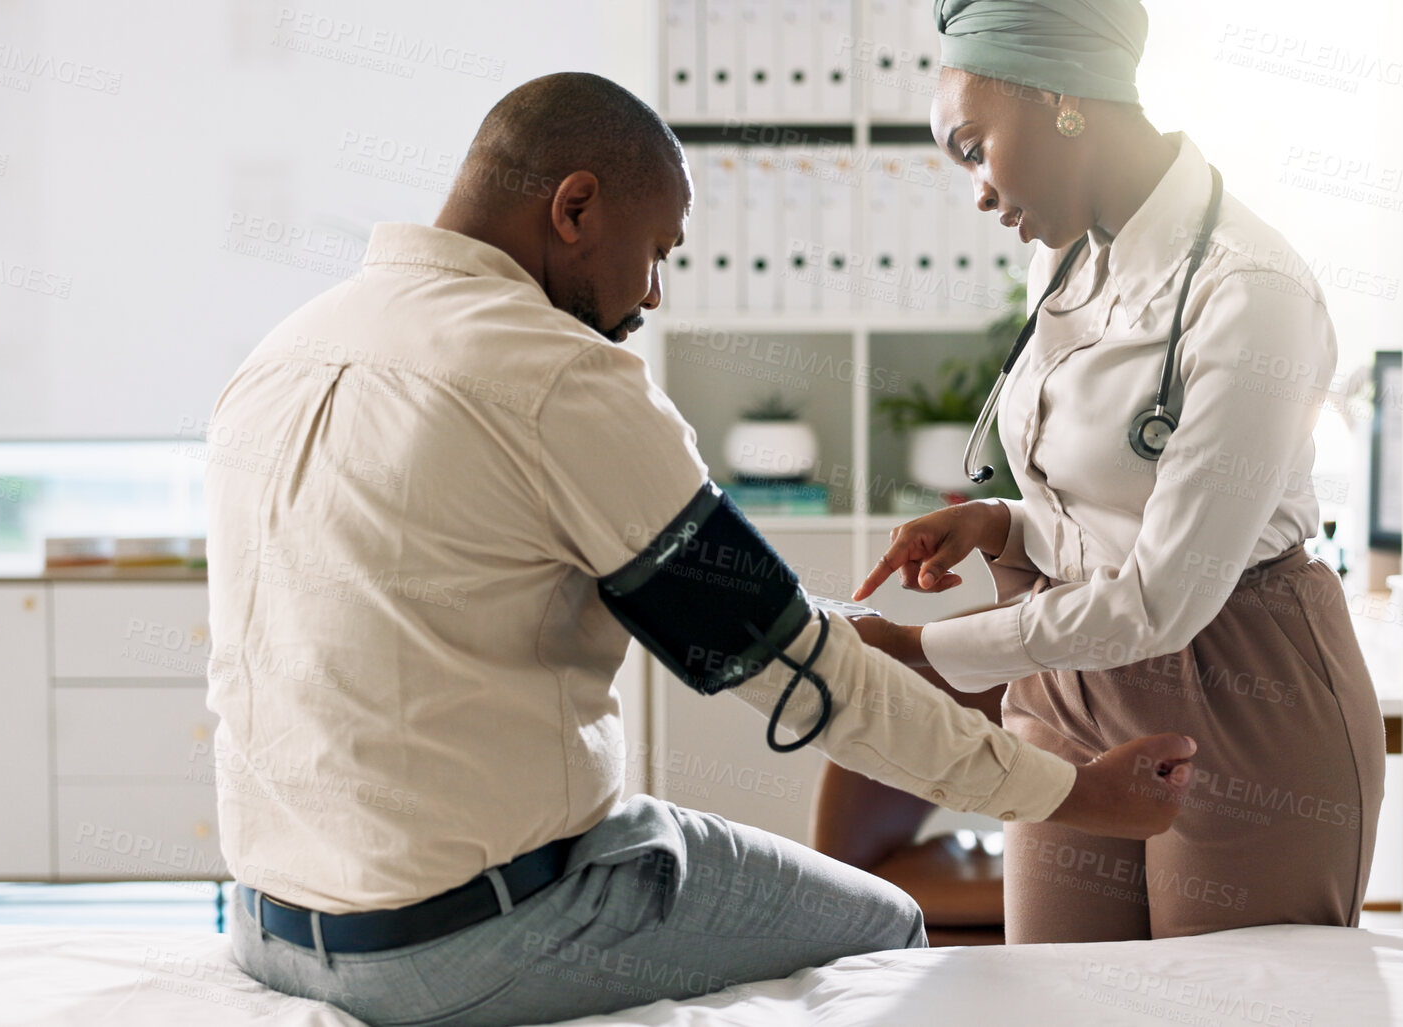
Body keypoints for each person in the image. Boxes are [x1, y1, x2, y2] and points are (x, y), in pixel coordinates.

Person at [204, 71, 1194, 1027]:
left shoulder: (281, 351)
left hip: (267, 924)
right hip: (454, 944)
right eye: (658, 248)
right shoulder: (555, 376)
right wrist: (1077, 794)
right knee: (887, 925)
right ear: (576, 208)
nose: (655, 294)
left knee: (658, 825)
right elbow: (807, 685)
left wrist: (863, 636)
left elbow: (662, 604)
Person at [848, 0, 1387, 943]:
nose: (975, 189)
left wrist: (924, 652)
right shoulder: (1059, 259)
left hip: (1240, 684)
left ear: (1062, 98)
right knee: (1058, 1001)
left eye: (974, 146)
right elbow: (1107, 505)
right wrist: (1003, 524)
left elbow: (1162, 598)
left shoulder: (1249, 291)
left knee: (1221, 1009)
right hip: (1066, 675)